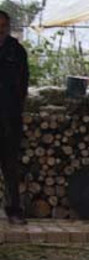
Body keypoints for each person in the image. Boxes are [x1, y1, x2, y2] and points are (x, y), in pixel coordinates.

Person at [0, 10, 29, 225]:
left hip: (9, 117)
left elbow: (23, 84)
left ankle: (14, 211)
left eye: (3, 25)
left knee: (10, 167)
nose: (0, 28)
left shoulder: (16, 51)